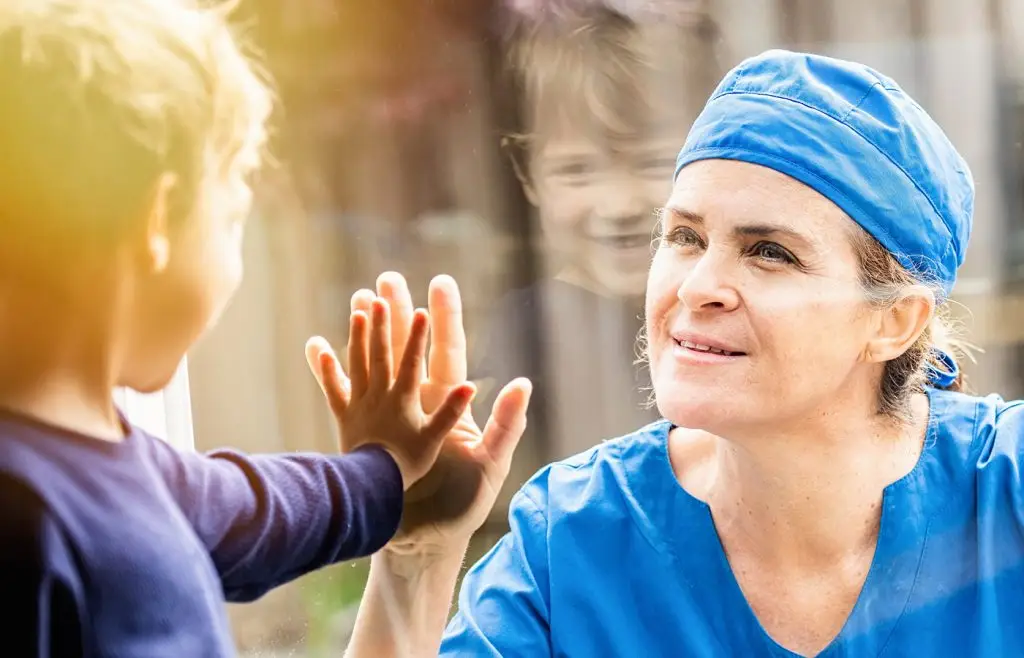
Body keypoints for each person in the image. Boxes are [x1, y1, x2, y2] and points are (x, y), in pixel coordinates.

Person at [341, 49, 1024, 657]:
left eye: (770, 253)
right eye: (685, 238)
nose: (698, 287)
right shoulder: (572, 543)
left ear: (894, 321)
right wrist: (415, 559)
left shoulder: (1011, 492)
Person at [0, 1, 530, 655]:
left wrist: (387, 474)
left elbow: (260, 511)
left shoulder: (118, 468)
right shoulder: (27, 519)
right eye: (231, 217)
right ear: (159, 221)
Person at [473, 2, 721, 504]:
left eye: (653, 162)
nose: (619, 204)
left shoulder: (729, 303)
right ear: (526, 175)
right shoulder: (528, 330)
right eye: (577, 171)